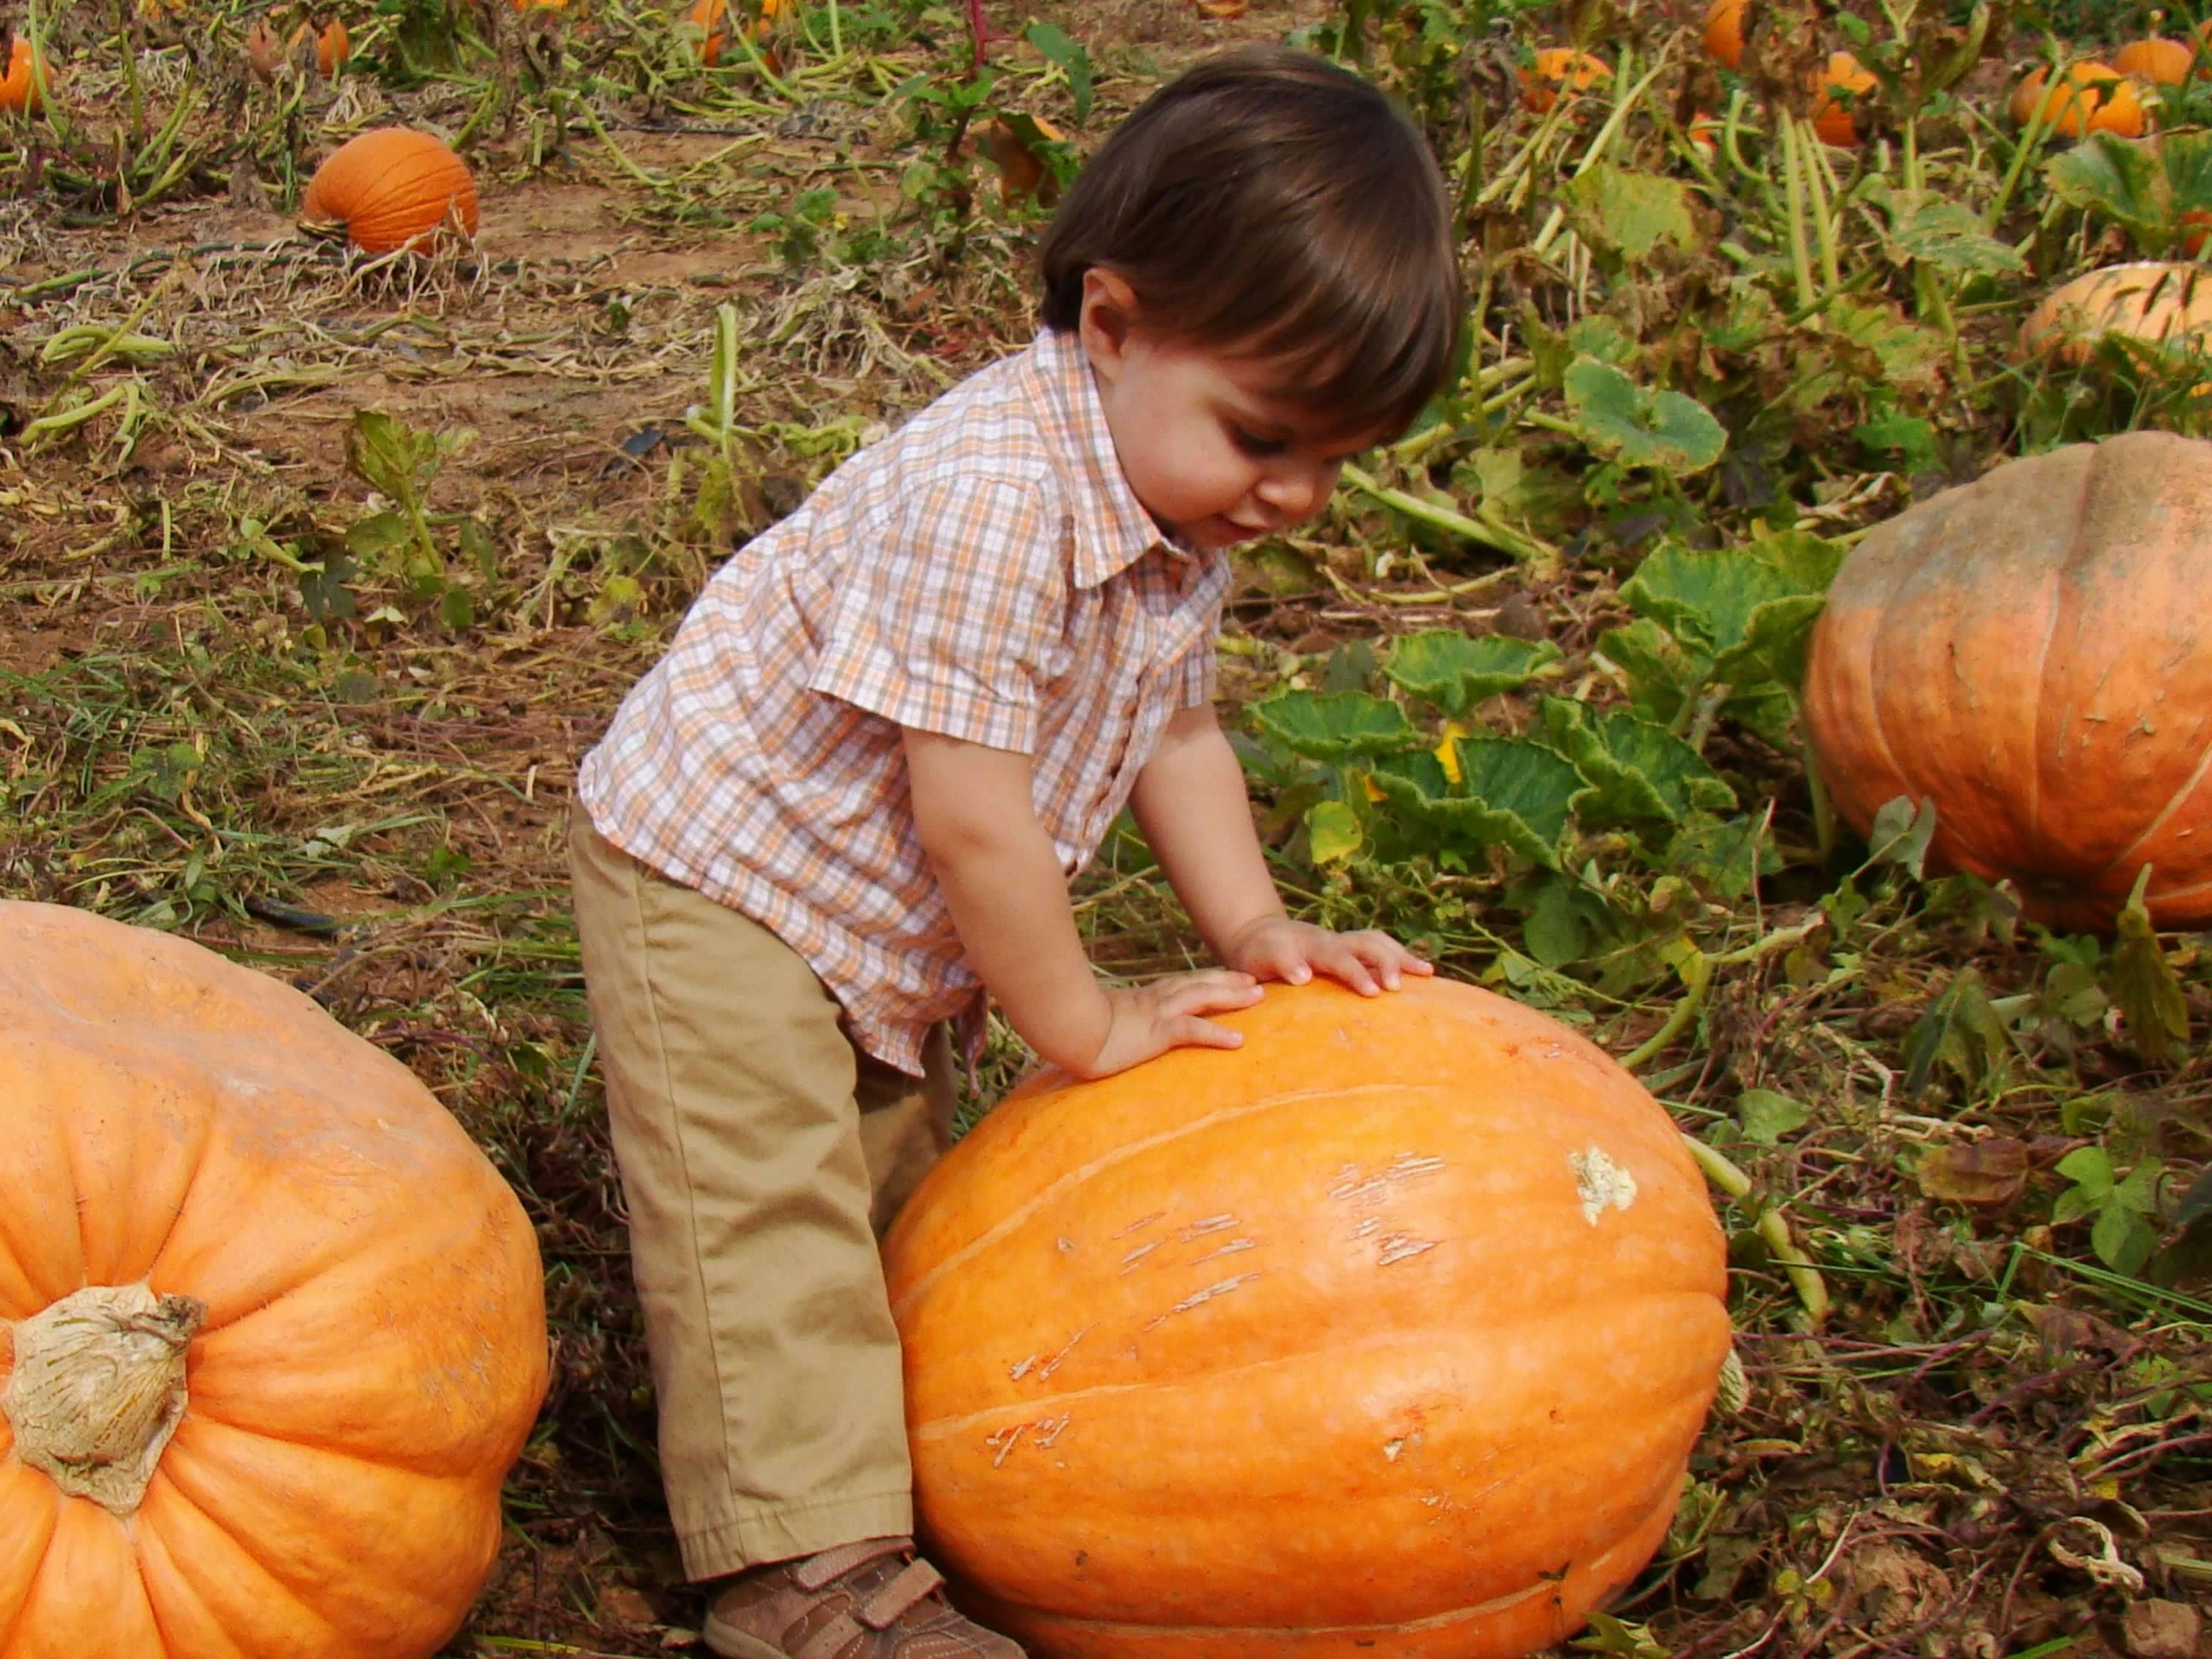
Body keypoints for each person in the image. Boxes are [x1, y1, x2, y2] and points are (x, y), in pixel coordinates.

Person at [568, 39, 1463, 1659]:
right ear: (1110, 325)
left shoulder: (1172, 506)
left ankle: (899, 1481)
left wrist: (1256, 927)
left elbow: (1177, 732)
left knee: (892, 1196)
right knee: (767, 1206)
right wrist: (1086, 1023)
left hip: (868, 903)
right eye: (1267, 437)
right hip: (725, 873)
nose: (1298, 496)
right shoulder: (991, 500)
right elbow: (973, 817)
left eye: (1337, 460)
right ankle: (800, 1581)